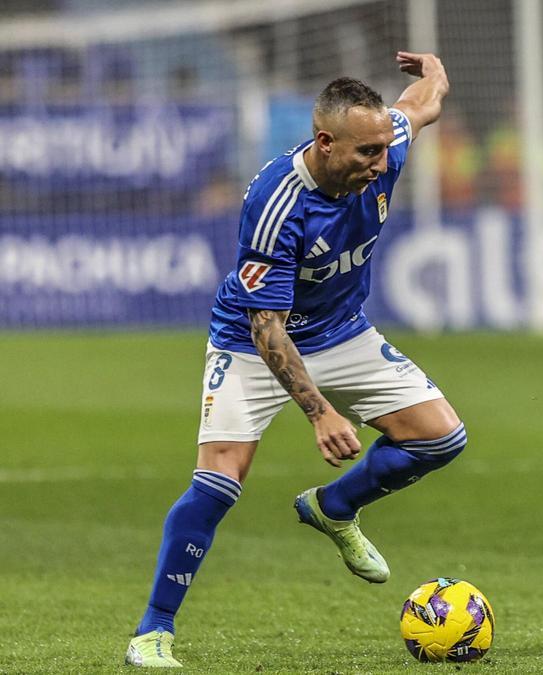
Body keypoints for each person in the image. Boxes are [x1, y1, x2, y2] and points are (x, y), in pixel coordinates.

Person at [125, 52, 455, 668]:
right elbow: (267, 328)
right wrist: (321, 413)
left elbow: (421, 105)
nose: (382, 164)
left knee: (441, 439)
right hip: (253, 343)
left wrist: (434, 71)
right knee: (218, 483)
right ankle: (153, 631)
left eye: (385, 149)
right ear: (325, 143)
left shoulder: (386, 141)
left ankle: (334, 507)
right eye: (366, 154)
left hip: (341, 331)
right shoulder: (277, 205)